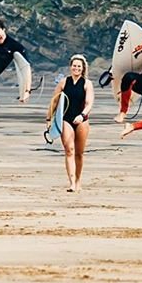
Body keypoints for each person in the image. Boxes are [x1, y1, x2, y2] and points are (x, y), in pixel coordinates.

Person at [46, 54, 94, 193]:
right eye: (74, 66)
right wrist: (49, 119)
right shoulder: (63, 82)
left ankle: (78, 180)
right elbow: (54, 101)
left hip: (81, 120)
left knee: (79, 153)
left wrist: (82, 115)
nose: (76, 68)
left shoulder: (87, 83)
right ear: (70, 67)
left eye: (79, 66)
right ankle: (72, 183)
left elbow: (89, 103)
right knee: (69, 150)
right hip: (65, 119)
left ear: (83, 68)